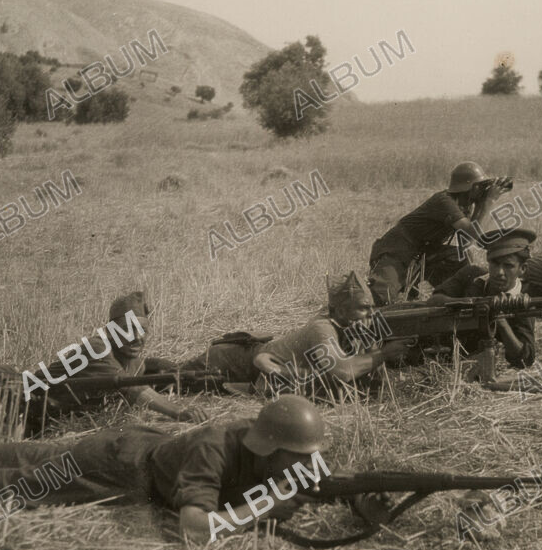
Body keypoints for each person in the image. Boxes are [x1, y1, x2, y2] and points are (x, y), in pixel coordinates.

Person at [0, 396, 388, 544]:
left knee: (36, 457)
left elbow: (322, 471)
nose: (307, 464)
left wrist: (360, 498)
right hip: (122, 469)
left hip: (135, 443)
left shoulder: (275, 438)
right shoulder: (214, 450)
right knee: (19, 488)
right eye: (299, 457)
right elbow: (196, 531)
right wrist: (262, 505)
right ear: (273, 447)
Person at [169, 272, 413, 398]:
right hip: (234, 362)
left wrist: (371, 341)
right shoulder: (322, 327)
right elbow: (341, 371)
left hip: (258, 369)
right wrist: (383, 353)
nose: (370, 313)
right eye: (363, 308)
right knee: (171, 380)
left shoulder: (348, 323)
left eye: (371, 308)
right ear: (340, 310)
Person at [26, 292, 206, 432]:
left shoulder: (131, 359)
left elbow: (147, 369)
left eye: (143, 330)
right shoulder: (97, 348)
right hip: (26, 408)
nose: (137, 338)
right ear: (110, 331)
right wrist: (178, 411)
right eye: (128, 330)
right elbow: (134, 389)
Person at [368, 162, 513, 306]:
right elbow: (476, 234)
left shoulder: (464, 206)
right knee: (381, 300)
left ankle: (453, 296)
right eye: (480, 186)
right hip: (397, 250)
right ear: (472, 187)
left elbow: (467, 241)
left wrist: (480, 205)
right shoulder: (444, 201)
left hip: (423, 254)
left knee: (459, 257)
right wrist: (489, 201)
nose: (483, 190)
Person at [428, 229, 537, 371]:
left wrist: (501, 322)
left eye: (508, 265)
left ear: (522, 269)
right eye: (494, 263)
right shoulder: (471, 275)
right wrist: (468, 305)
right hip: (433, 347)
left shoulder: (522, 303)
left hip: (460, 366)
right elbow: (434, 300)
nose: (499, 272)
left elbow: (524, 360)